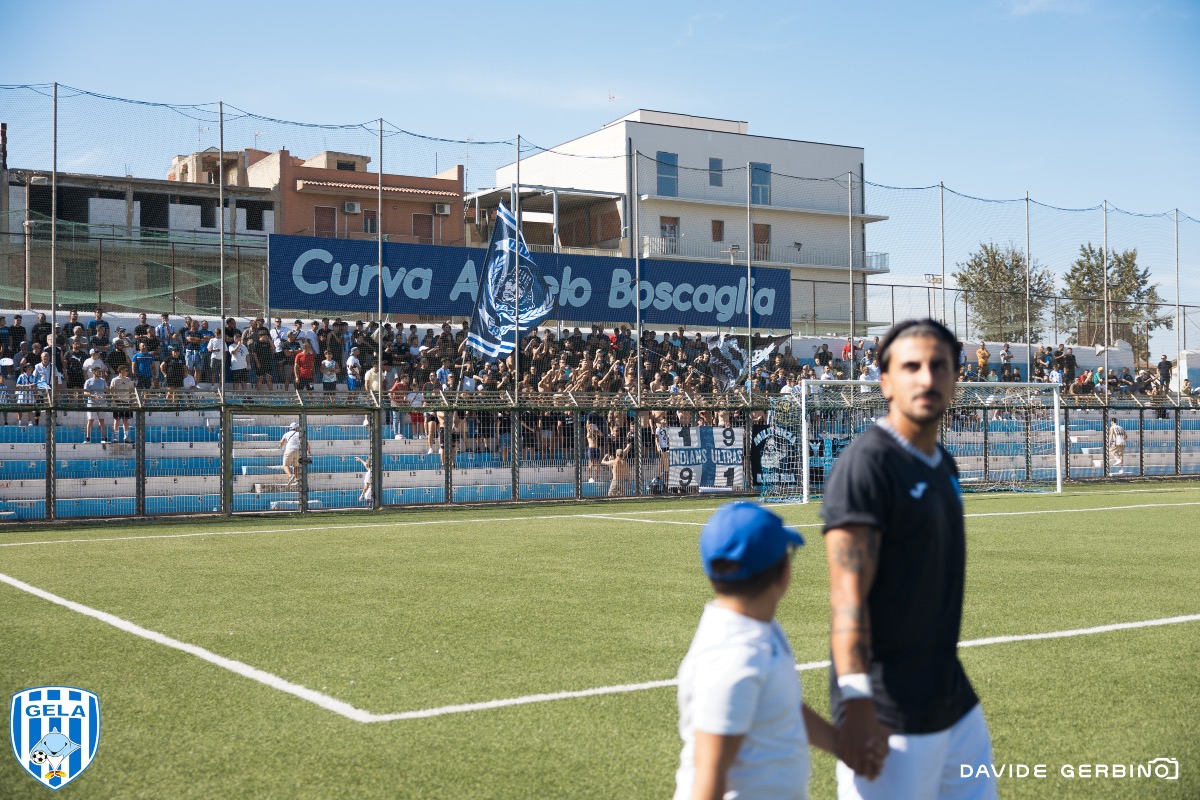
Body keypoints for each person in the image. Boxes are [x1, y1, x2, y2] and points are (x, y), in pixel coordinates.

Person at [820, 318, 997, 800]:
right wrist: (856, 704)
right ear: (885, 381)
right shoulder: (867, 466)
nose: (926, 377)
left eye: (939, 366)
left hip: (953, 703)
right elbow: (847, 599)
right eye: (911, 366)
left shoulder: (943, 462)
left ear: (956, 377)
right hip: (887, 716)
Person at [674, 502, 843, 800]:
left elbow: (781, 706)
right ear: (783, 573)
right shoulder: (735, 656)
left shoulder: (757, 628)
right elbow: (708, 776)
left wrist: (841, 745)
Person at [82, 366, 110, 446]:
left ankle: (104, 438)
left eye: (100, 371)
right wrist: (93, 396)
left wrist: (104, 394)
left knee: (101, 420)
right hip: (91, 403)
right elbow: (85, 392)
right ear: (93, 372)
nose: (100, 372)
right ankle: (87, 438)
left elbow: (106, 390)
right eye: (98, 371)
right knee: (90, 420)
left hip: (102, 403)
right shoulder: (88, 381)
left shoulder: (103, 381)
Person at [109, 364, 136, 442]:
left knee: (126, 420)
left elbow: (132, 390)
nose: (127, 372)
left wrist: (131, 401)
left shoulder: (128, 380)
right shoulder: (115, 380)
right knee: (116, 419)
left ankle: (126, 437)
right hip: (117, 402)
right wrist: (114, 399)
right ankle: (116, 437)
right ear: (121, 371)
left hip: (126, 402)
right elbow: (111, 390)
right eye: (125, 370)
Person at [279, 421, 310, 488]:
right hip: (298, 451)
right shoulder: (299, 434)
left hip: (289, 450)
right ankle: (296, 479)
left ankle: (290, 476)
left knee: (285, 465)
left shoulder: (286, 434)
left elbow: (282, 442)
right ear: (296, 428)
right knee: (296, 466)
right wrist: (308, 451)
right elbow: (306, 443)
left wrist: (280, 446)